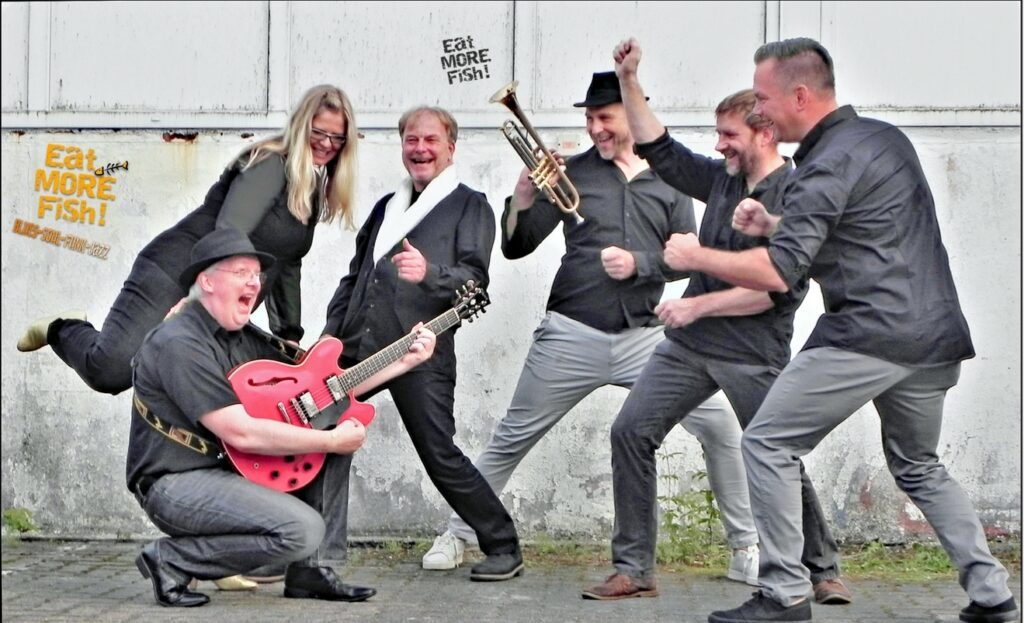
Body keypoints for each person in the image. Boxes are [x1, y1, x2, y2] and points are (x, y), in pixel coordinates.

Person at [655, 38, 1017, 623]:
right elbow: (861, 232)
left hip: (869, 335)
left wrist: (696, 256)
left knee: (767, 443)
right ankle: (992, 593)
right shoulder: (882, 139)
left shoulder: (821, 165)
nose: (759, 112)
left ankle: (784, 593)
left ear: (800, 96)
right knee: (919, 466)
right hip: (935, 336)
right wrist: (775, 222)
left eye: (764, 99)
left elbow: (777, 274)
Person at [423, 70, 760, 591]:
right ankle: (458, 533)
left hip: (646, 338)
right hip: (571, 332)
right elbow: (516, 246)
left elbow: (688, 257)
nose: (595, 128)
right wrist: (523, 197)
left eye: (605, 117)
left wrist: (640, 264)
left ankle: (745, 548)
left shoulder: (671, 178)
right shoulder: (571, 172)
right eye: (590, 119)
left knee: (719, 426)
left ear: (631, 112)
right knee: (512, 437)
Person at [582, 39, 852, 605]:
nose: (719, 144)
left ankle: (822, 569)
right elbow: (661, 149)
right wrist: (628, 80)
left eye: (729, 135)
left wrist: (695, 304)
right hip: (689, 346)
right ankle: (634, 568)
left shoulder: (796, 193)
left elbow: (773, 292)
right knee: (631, 431)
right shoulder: (724, 179)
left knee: (777, 453)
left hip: (753, 352)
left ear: (764, 133)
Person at [127, 228, 436, 608]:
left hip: (229, 469)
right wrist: (330, 441)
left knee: (331, 424)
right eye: (241, 272)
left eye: (256, 274)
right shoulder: (179, 342)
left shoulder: (238, 334)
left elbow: (323, 388)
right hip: (175, 484)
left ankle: (312, 571)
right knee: (302, 530)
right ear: (206, 281)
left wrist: (404, 361)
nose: (254, 283)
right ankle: (171, 560)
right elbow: (241, 433)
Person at [17, 84, 359, 396]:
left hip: (219, 299)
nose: (327, 144)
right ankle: (63, 328)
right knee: (110, 372)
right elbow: (229, 232)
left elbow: (287, 263)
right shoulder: (269, 164)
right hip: (174, 272)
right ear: (300, 127)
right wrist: (196, 301)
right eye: (319, 132)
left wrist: (289, 336)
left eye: (337, 137)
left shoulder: (309, 190)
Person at [322, 105, 523, 582]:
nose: (420, 149)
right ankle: (317, 554)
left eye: (431, 140)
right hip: (357, 346)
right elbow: (355, 277)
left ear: (451, 147)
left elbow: (476, 281)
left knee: (439, 454)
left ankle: (503, 545)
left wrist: (429, 273)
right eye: (412, 140)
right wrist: (330, 335)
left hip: (419, 350)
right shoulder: (385, 207)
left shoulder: (470, 205)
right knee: (322, 436)